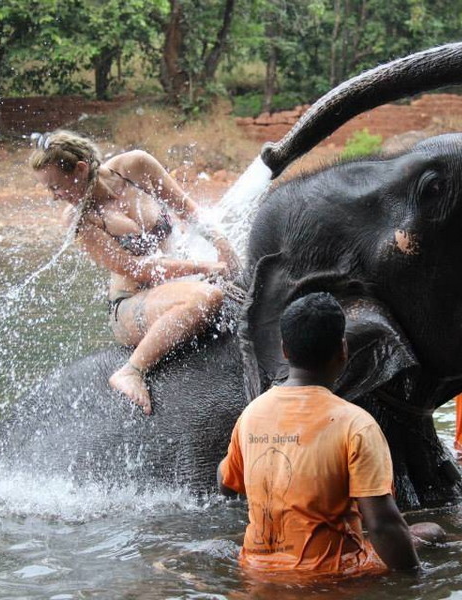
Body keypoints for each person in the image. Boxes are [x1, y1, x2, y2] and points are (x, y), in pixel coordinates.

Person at [217, 292, 432, 577]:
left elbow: (224, 484)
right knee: (432, 531)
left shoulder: (252, 415)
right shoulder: (356, 424)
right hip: (332, 577)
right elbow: (381, 526)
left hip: (256, 571)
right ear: (343, 349)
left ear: (284, 350)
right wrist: (416, 581)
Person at [29, 130, 240, 414]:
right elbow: (139, 270)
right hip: (132, 304)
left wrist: (223, 248)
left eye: (56, 187)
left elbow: (188, 210)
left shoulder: (136, 166)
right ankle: (132, 370)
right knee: (206, 297)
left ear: (80, 169)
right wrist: (205, 267)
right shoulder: (79, 219)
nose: (54, 197)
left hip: (176, 283)